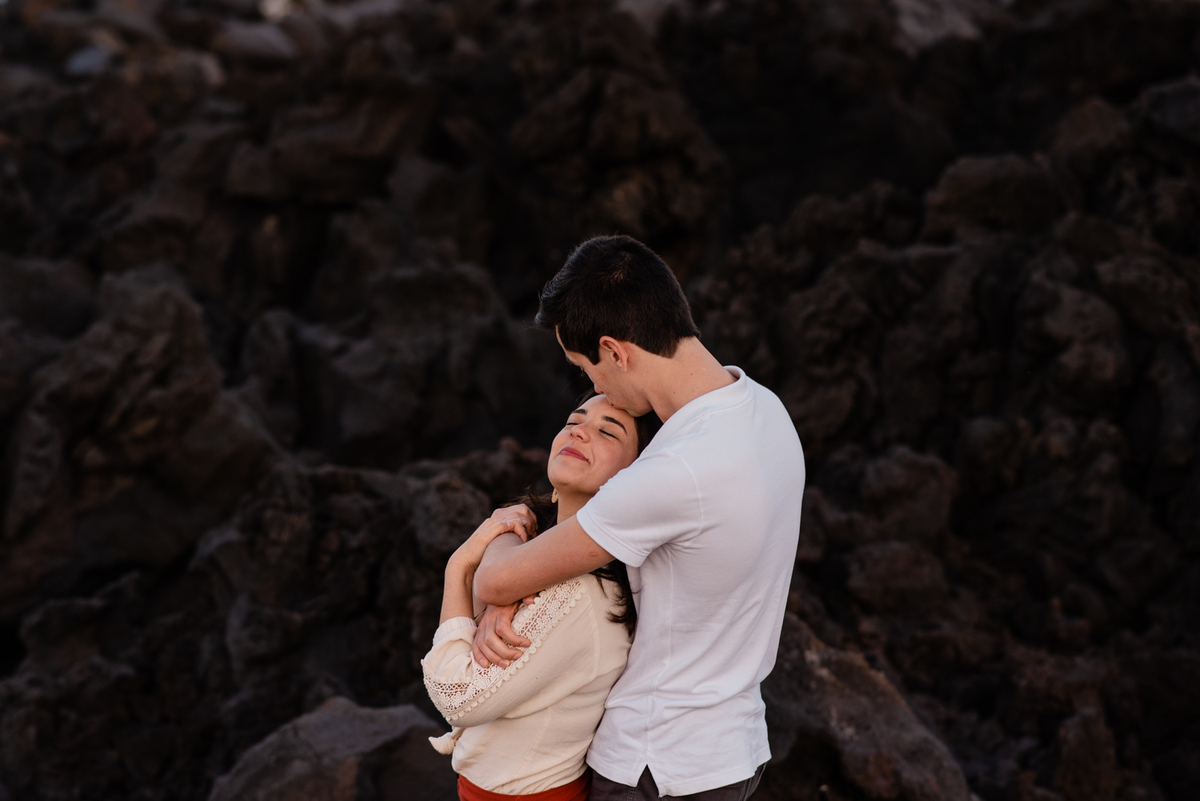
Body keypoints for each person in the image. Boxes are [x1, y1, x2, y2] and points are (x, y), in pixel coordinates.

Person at [471, 235, 806, 800]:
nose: (595, 389)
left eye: (587, 369)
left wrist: (505, 530)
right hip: (733, 749)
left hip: (656, 764)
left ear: (615, 352)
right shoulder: (764, 408)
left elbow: (495, 580)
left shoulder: (675, 472)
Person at [422, 392, 660, 801]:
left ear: (635, 474)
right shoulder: (533, 557)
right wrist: (502, 582)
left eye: (608, 432)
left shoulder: (580, 593)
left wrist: (458, 568)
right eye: (573, 421)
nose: (579, 432)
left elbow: (458, 698)